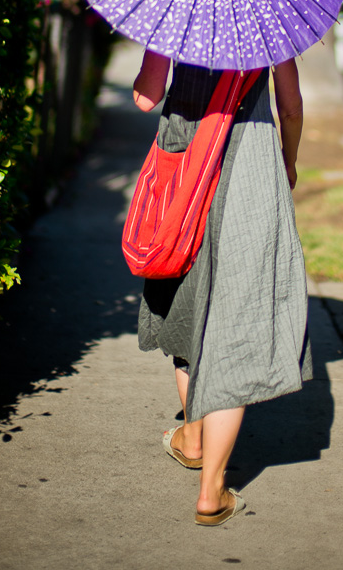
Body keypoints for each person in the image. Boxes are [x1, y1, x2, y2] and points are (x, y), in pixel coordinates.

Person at [133, 49, 312, 526]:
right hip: (250, 174)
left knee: (185, 302)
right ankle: (211, 490)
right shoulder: (268, 12)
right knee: (237, 315)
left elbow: (145, 98)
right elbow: (290, 107)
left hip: (184, 169)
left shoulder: (175, 7)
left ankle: (192, 437)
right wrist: (288, 161)